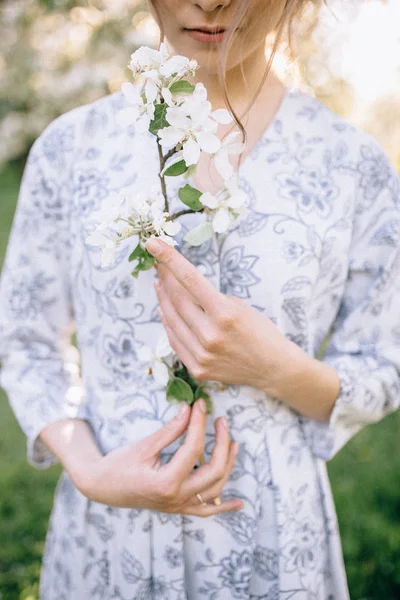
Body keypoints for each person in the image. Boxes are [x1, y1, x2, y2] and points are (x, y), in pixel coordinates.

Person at [1, 0, 400, 597]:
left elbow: (383, 362)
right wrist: (90, 471)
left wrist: (278, 368)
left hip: (272, 537)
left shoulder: (353, 165)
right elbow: (25, 340)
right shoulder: (72, 149)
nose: (211, 1)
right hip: (111, 537)